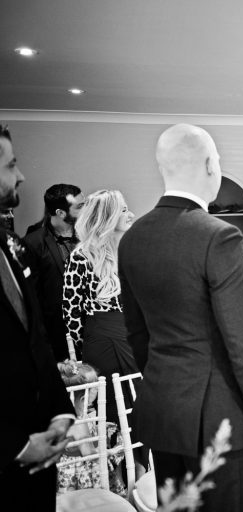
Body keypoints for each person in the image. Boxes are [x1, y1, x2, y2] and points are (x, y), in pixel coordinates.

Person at [118, 124, 243, 512]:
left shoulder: (132, 238)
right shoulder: (219, 236)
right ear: (211, 164)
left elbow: (137, 334)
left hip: (163, 412)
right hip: (216, 419)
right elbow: (242, 341)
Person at [0, 124, 75, 510]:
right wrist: (14, 445)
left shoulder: (10, 245)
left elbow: (35, 339)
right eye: (11, 164)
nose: (22, 176)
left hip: (40, 451)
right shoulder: (32, 241)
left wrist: (60, 412)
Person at [62, 190, 140, 425]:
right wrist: (85, 346)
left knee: (145, 402)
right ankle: (121, 449)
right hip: (103, 340)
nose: (131, 214)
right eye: (123, 210)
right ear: (108, 217)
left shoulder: (130, 251)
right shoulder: (81, 256)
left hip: (136, 336)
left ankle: (144, 450)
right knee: (116, 408)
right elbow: (71, 312)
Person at [24, 184, 85, 361]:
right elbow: (33, 296)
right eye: (80, 206)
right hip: (57, 333)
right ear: (60, 213)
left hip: (91, 327)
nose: (86, 210)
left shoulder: (88, 236)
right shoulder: (33, 243)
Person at [56, 361, 127, 496]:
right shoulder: (79, 422)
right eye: (95, 386)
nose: (97, 389)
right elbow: (90, 454)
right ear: (84, 397)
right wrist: (112, 451)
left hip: (66, 471)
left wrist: (98, 428)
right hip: (82, 474)